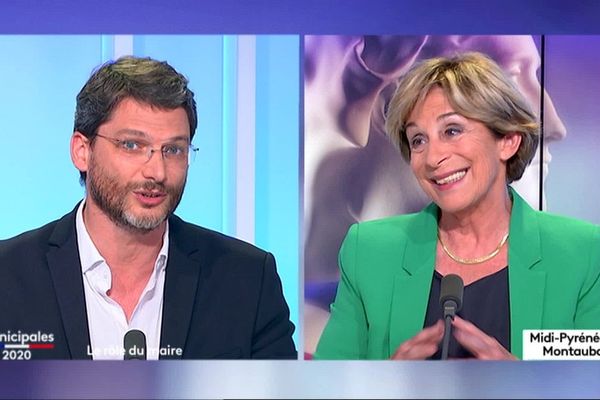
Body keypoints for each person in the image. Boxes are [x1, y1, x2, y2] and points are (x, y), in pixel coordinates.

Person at [0, 56, 296, 360]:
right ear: (82, 151)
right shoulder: (8, 275)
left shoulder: (246, 280)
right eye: (132, 145)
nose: (157, 171)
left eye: (174, 150)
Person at [314, 52, 600, 360]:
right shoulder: (369, 251)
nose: (433, 158)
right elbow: (326, 387)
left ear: (508, 141)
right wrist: (387, 381)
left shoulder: (581, 253)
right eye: (418, 140)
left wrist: (522, 384)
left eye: (452, 131)